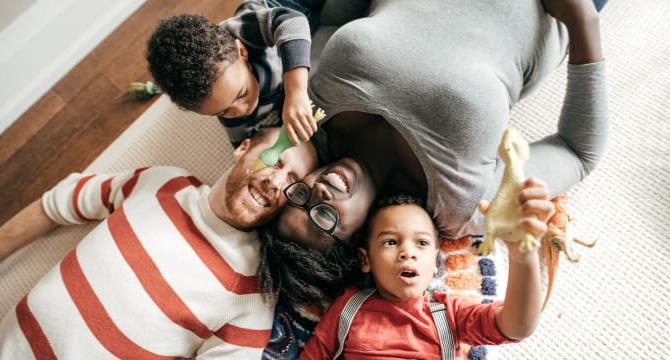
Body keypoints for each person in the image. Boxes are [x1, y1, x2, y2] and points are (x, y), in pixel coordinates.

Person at [276, 0, 608, 248]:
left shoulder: (308, 115)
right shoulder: (460, 204)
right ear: (358, 243)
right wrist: (582, 19)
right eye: (322, 218)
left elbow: (333, 22)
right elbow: (579, 151)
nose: (317, 192)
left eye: (300, 197)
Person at [0, 128, 343, 359]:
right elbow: (60, 202)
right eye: (276, 161)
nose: (275, 182)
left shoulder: (253, 294)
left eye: (292, 184)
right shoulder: (163, 183)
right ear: (244, 147)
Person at [299, 180, 554, 359]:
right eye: (390, 242)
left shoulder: (448, 313)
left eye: (421, 243)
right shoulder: (349, 307)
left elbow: (516, 327)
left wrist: (523, 258)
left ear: (435, 263)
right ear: (366, 259)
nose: (407, 252)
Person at [147, 0, 320, 147]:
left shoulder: (241, 35)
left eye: (241, 94)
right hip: (312, 40)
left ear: (242, 51)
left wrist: (295, 93)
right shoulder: (229, 115)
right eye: (222, 112)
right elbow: (244, 144)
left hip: (292, 7)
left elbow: (293, 22)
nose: (241, 110)